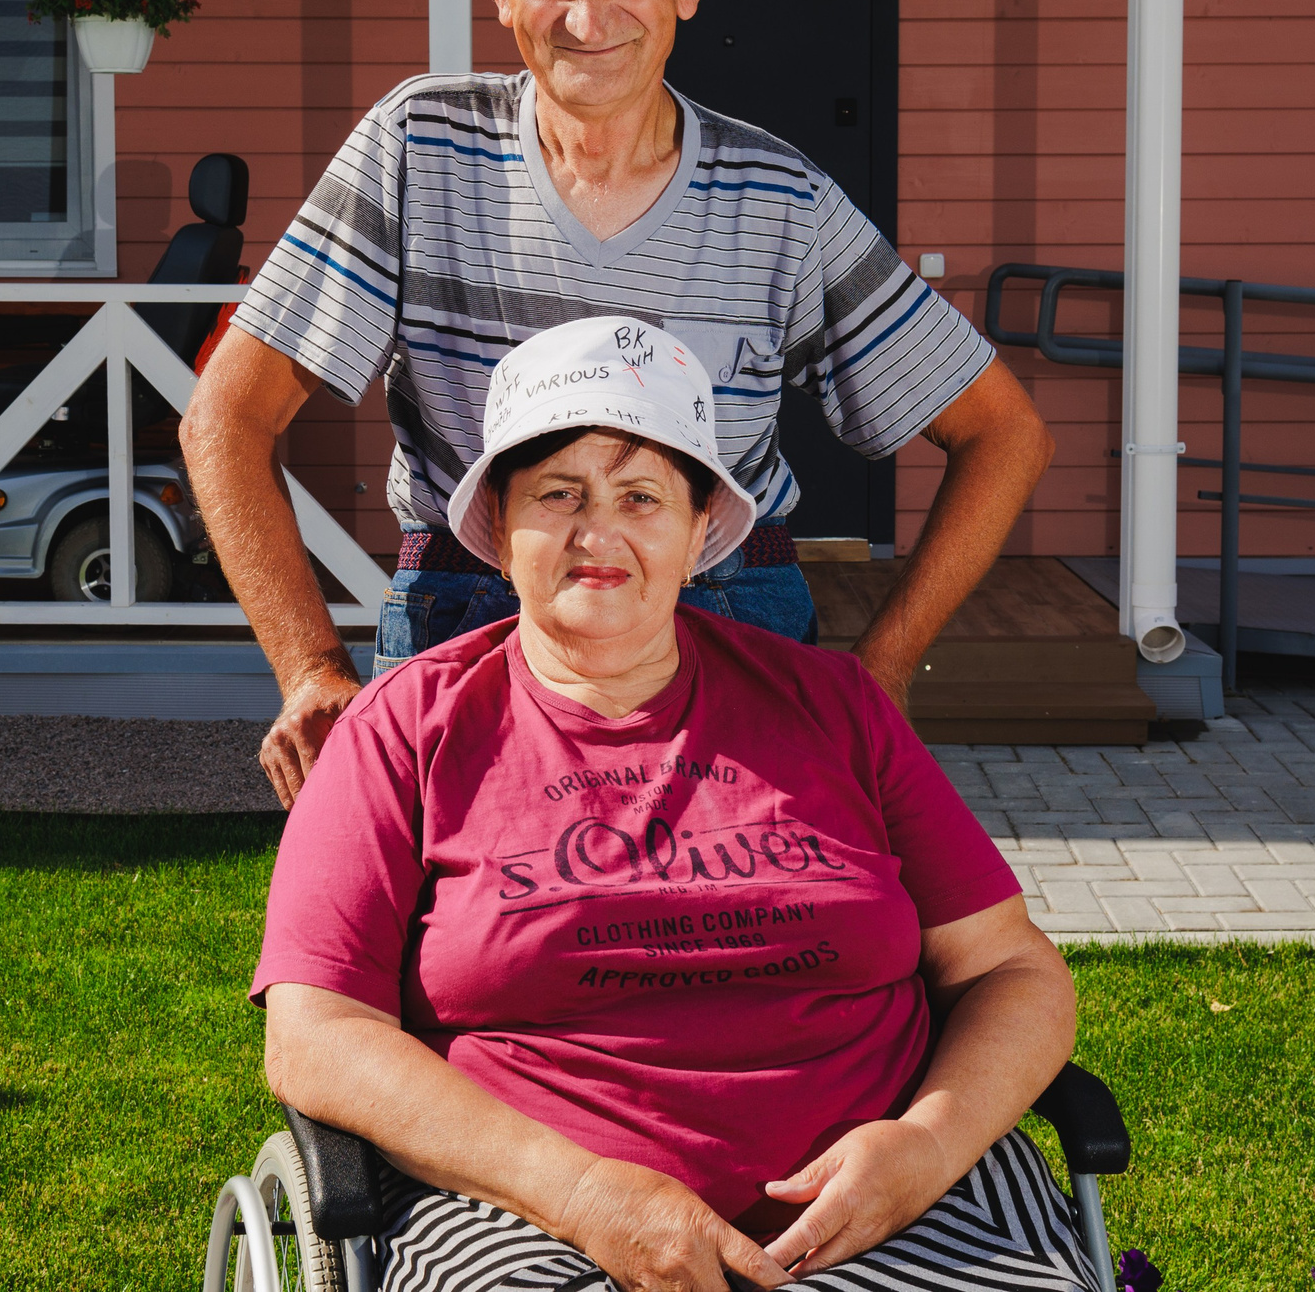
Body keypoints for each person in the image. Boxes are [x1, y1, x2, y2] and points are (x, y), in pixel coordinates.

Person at [184, 0, 1053, 810]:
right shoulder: (416, 148)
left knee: (745, 943)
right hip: (470, 610)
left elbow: (1003, 435)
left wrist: (885, 670)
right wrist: (307, 668)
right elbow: (225, 416)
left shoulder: (781, 199)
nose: (587, 16)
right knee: (449, 951)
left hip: (726, 617)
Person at [255, 318, 1095, 1292]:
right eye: (556, 494)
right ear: (499, 525)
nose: (596, 532)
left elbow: (1012, 970)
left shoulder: (834, 706)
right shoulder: (404, 730)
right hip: (532, 1218)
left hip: (896, 1205)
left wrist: (926, 1148)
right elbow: (315, 1033)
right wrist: (583, 1196)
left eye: (641, 496)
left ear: (701, 532)